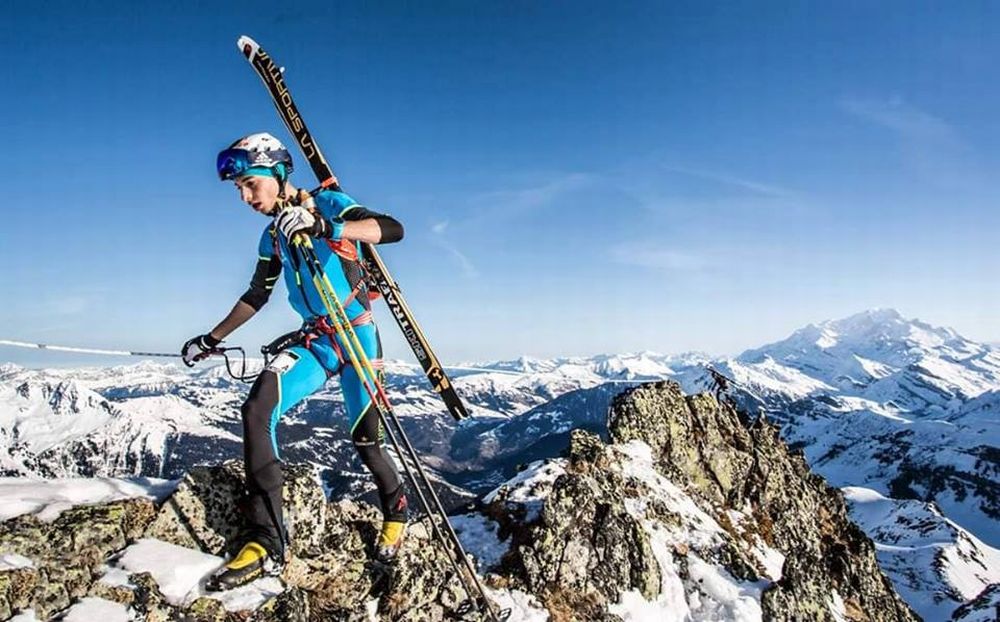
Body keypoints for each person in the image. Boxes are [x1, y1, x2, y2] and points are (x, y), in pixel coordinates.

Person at [182, 132, 408, 590]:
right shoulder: (272, 237)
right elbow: (256, 295)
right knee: (257, 409)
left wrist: (326, 227)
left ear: (278, 173)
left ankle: (396, 512)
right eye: (239, 189)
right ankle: (266, 542)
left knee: (367, 444)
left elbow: (391, 229)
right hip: (318, 341)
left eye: (250, 184)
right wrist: (211, 338)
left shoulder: (327, 204)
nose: (245, 197)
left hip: (358, 338)